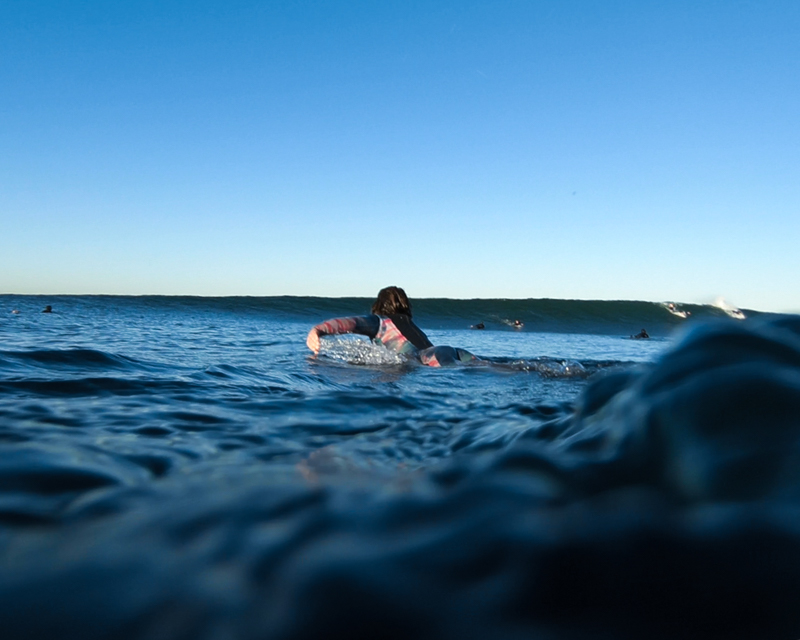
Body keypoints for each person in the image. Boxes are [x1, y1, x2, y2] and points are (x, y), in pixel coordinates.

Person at [306, 286, 477, 367]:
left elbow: (352, 323)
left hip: (430, 357)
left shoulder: (380, 322)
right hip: (452, 351)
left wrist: (317, 330)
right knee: (490, 368)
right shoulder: (411, 325)